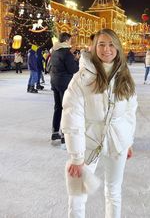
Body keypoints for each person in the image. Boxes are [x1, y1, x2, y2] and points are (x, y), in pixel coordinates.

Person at [61, 28, 138, 218]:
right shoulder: (82, 78)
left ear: (118, 48)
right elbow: (73, 117)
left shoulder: (124, 76)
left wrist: (128, 141)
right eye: (101, 44)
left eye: (111, 44)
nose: (106, 49)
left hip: (117, 140)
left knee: (113, 191)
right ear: (93, 47)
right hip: (89, 140)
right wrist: (77, 157)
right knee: (78, 195)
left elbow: (130, 112)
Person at [50, 32, 79, 147]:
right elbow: (73, 69)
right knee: (65, 108)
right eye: (70, 40)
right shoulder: (66, 53)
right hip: (64, 83)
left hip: (55, 81)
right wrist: (76, 60)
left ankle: (55, 132)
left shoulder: (55, 51)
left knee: (57, 107)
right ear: (67, 40)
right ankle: (64, 135)